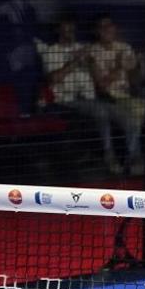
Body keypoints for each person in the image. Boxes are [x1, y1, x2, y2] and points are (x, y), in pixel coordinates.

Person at [90, 15, 145, 175]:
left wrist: (139, 65)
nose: (108, 30)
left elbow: (136, 81)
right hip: (109, 98)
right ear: (97, 31)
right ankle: (135, 159)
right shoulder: (92, 51)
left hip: (130, 96)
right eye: (103, 27)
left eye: (110, 26)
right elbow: (101, 86)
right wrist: (119, 66)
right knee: (135, 116)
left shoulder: (124, 47)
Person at [37, 18, 116, 173]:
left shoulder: (83, 48)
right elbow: (54, 78)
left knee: (124, 116)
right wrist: (75, 61)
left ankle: (134, 157)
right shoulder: (51, 51)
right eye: (66, 30)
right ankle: (109, 156)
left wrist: (91, 62)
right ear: (58, 31)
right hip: (66, 101)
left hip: (90, 98)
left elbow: (99, 80)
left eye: (72, 30)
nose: (70, 34)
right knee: (100, 112)